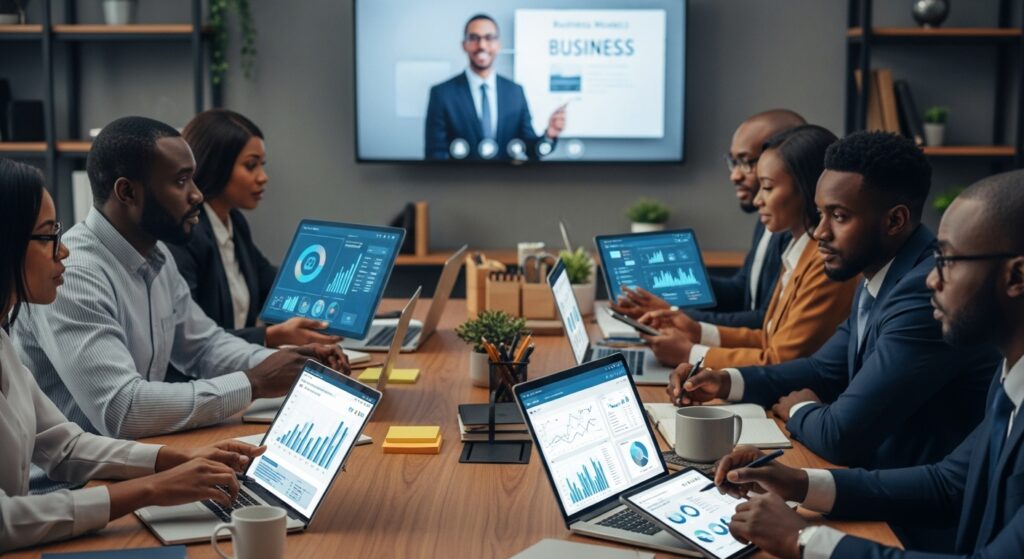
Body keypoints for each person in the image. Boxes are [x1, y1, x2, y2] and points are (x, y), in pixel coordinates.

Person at [710, 170, 1024, 559]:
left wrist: (804, 541)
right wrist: (797, 482)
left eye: (947, 260)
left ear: (1017, 276)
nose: (931, 280)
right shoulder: (1010, 375)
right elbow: (948, 483)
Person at [669, 132, 999, 472]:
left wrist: (800, 409)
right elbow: (823, 369)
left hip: (904, 511)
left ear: (895, 221)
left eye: (839, 216)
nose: (820, 233)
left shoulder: (923, 293)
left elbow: (841, 435)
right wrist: (724, 380)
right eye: (820, 213)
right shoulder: (878, 269)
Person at [13, 116, 348, 441]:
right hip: (79, 487)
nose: (197, 195)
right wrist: (254, 382)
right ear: (127, 192)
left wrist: (290, 365)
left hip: (136, 459)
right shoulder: (76, 275)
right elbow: (123, 410)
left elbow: (203, 346)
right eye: (180, 181)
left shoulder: (157, 256)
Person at [0, 158, 267, 552]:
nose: (64, 251)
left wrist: (176, 460)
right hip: (42, 521)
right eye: (47, 236)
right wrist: (151, 489)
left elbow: (65, 446)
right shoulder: (82, 277)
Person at [638, 125, 858, 370]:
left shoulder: (823, 261)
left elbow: (780, 359)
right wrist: (697, 331)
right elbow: (768, 338)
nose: (757, 200)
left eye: (767, 187)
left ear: (806, 189)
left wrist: (691, 354)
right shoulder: (797, 252)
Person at [612, 109, 807, 329]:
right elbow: (743, 290)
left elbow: (768, 321)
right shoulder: (766, 220)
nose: (734, 175)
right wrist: (673, 285)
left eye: (745, 162)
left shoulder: (795, 231)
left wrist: (677, 317)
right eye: (732, 162)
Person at [168, 109, 341, 347]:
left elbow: (275, 286)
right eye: (251, 166)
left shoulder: (234, 222)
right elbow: (190, 341)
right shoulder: (185, 237)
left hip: (241, 369)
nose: (263, 177)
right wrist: (271, 337)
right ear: (217, 165)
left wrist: (343, 292)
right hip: (209, 380)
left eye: (262, 165)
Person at [424, 14, 566, 161]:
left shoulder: (515, 92)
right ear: (464, 45)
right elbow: (435, 155)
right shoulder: (442, 94)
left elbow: (529, 150)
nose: (482, 45)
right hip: (460, 183)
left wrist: (549, 135)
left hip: (505, 183)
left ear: (498, 45)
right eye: (474, 38)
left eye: (489, 38)